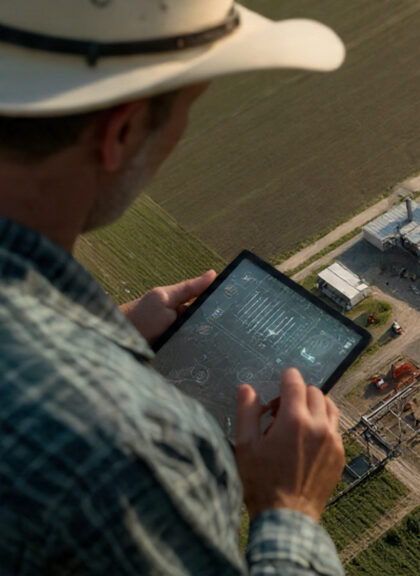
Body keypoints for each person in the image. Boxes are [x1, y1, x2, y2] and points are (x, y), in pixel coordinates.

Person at [0, 1, 351, 574]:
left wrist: (100, 341)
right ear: (120, 132)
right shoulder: (136, 453)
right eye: (187, 109)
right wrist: (290, 508)